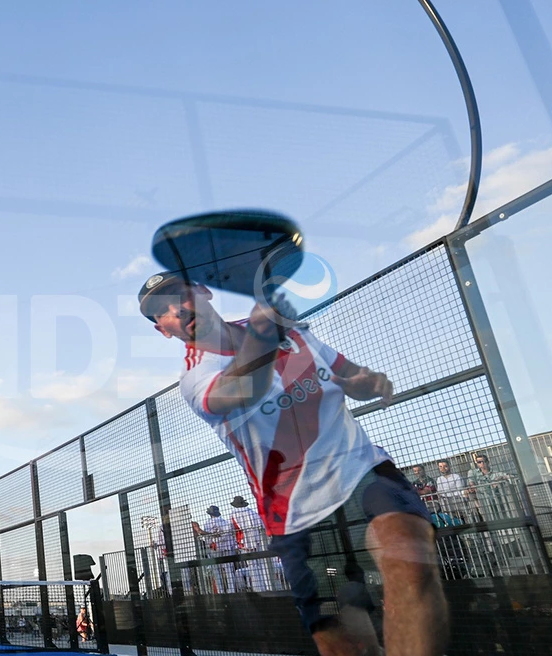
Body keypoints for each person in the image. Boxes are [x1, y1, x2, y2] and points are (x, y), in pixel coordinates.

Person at [139, 273, 448, 656]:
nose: (175, 309)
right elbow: (244, 388)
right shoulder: (196, 378)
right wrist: (263, 334)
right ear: (163, 330)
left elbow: (352, 374)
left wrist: (367, 382)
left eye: (177, 295)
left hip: (362, 470)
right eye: (161, 312)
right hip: (295, 512)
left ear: (202, 292)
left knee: (411, 560)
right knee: (342, 645)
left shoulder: (294, 333)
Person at [229, 495, 276, 591]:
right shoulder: (252, 512)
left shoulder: (234, 514)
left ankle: (258, 588)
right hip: (258, 540)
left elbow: (231, 529)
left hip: (244, 543)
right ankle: (268, 586)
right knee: (263, 564)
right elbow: (262, 525)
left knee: (252, 567)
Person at [465, 453, 513, 521]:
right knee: (487, 517)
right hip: (482, 498)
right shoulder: (473, 472)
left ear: (487, 462)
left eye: (483, 461)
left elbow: (509, 476)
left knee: (502, 514)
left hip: (496, 499)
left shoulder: (495, 472)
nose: (481, 463)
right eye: (479, 462)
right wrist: (473, 486)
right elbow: (471, 482)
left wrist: (500, 478)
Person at [200, 505, 238, 593]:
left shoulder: (207, 523)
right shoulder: (225, 522)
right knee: (229, 570)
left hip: (215, 548)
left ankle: (220, 591)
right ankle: (232, 590)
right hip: (227, 547)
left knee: (216, 570)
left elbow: (207, 538)